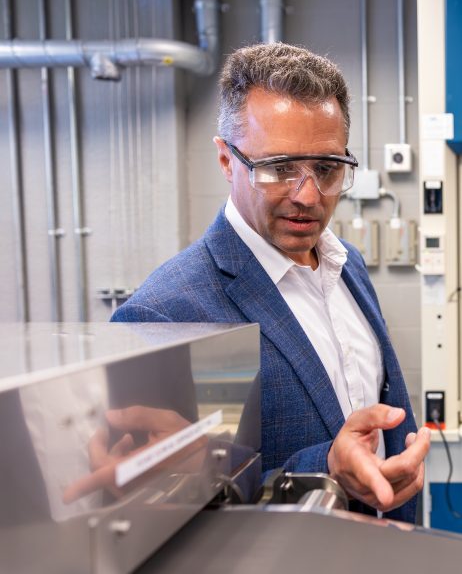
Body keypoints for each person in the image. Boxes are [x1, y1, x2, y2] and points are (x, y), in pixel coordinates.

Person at [112, 43, 429, 522]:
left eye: (326, 169)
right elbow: (151, 518)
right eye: (279, 168)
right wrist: (323, 469)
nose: (307, 196)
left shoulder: (348, 266)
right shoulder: (164, 315)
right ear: (226, 160)